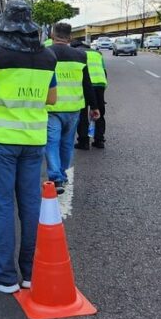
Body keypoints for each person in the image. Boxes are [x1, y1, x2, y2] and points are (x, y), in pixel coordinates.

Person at [0, 0, 58, 294]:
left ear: (5, 25)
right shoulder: (48, 57)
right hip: (33, 142)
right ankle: (30, 273)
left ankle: (5, 276)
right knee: (30, 205)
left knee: (2, 205)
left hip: (3, 144)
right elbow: (51, 99)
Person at [45, 23, 99, 194]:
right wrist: (94, 106)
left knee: (52, 143)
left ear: (53, 35)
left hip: (52, 107)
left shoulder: (46, 53)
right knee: (67, 144)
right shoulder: (81, 55)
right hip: (74, 108)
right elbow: (87, 83)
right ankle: (62, 174)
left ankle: (56, 178)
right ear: (69, 38)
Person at [73, 39, 107, 149]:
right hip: (99, 84)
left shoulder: (76, 53)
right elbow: (104, 71)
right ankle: (99, 140)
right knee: (99, 112)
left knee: (82, 114)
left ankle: (83, 142)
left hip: (84, 85)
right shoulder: (97, 53)